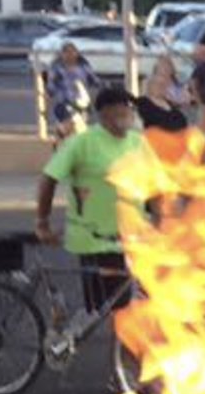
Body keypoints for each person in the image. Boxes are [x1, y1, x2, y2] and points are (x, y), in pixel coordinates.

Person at [35, 88, 144, 323]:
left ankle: (122, 355)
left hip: (132, 239)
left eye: (130, 108)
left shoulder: (139, 143)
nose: (127, 111)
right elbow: (48, 179)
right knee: (117, 313)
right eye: (121, 107)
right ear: (104, 114)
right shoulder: (81, 143)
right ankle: (117, 356)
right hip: (96, 241)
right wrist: (42, 222)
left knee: (141, 305)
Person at [45, 43, 101, 140]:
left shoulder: (83, 65)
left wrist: (103, 86)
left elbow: (94, 80)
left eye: (73, 52)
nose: (70, 55)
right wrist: (50, 93)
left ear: (76, 53)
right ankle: (62, 133)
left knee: (81, 130)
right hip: (64, 101)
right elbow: (51, 84)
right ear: (62, 54)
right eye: (66, 52)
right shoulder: (56, 66)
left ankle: (62, 134)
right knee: (74, 123)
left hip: (82, 100)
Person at [136, 55, 190, 134]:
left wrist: (169, 96)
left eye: (166, 66)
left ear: (171, 69)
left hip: (174, 114)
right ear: (156, 68)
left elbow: (186, 100)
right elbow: (146, 96)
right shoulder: (149, 80)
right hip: (157, 112)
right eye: (161, 66)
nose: (164, 69)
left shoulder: (175, 83)